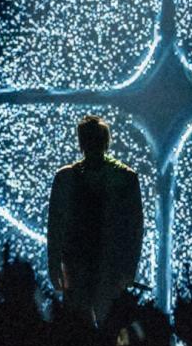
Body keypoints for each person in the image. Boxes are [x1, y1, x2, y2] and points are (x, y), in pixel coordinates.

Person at [47, 115, 144, 324]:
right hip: (97, 266)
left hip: (93, 266)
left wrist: (54, 265)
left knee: (86, 327)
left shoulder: (66, 177)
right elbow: (134, 229)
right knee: (100, 327)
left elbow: (55, 225)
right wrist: (129, 270)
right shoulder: (125, 176)